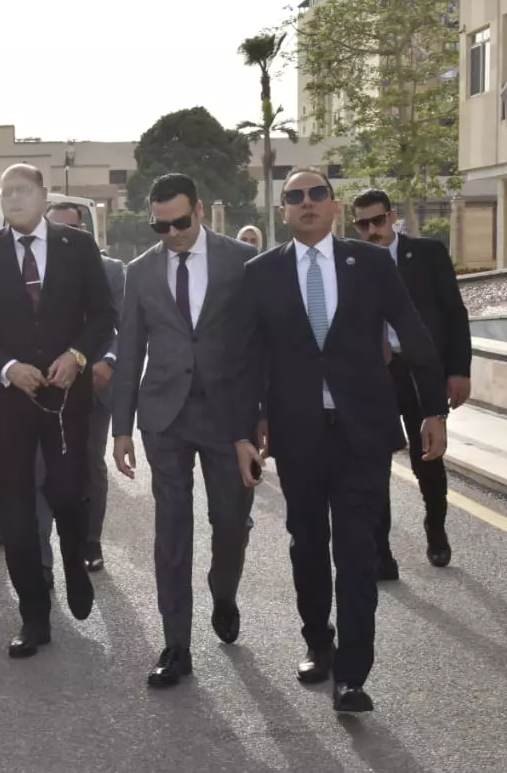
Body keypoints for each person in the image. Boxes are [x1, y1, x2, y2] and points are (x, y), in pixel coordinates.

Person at [234, 168, 448, 713]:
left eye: (317, 194)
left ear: (333, 205)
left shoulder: (370, 263)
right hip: (298, 433)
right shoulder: (261, 273)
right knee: (307, 543)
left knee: (356, 550)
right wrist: (244, 429)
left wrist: (433, 409)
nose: (306, 202)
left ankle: (352, 674)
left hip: (362, 432)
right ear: (283, 210)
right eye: (295, 196)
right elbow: (247, 358)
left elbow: (413, 332)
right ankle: (318, 642)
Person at [0, 163, 117, 658]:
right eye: (5, 191)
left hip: (67, 397)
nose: (14, 198)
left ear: (45, 195)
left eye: (23, 190)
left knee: (68, 494)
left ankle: (74, 564)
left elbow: (104, 316)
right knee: (18, 509)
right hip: (9, 400)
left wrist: (77, 356)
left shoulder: (77, 245)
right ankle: (34, 614)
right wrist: (7, 368)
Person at [108, 173, 256, 688]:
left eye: (179, 222)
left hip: (228, 418)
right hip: (164, 418)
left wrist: (260, 417)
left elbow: (260, 342)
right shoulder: (140, 272)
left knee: (231, 522)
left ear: (200, 210)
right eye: (160, 226)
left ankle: (223, 590)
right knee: (171, 530)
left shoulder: (241, 261)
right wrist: (121, 428)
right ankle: (176, 645)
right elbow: (130, 350)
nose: (171, 233)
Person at [351, 188, 470, 574]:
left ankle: (436, 531)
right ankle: (381, 551)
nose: (372, 230)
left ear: (392, 216)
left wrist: (459, 371)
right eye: (363, 224)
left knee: (428, 458)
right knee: (376, 462)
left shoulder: (428, 253)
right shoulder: (351, 264)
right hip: (376, 375)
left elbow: (454, 313)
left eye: (378, 220)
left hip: (421, 371)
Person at [43, 201, 124, 572]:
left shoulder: (113, 270)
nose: (62, 235)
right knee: (42, 468)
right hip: (45, 385)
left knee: (90, 463)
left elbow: (123, 325)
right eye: (55, 228)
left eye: (71, 228)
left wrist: (109, 361)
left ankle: (91, 542)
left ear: (85, 231)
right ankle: (42, 554)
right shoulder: (30, 268)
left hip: (94, 382)